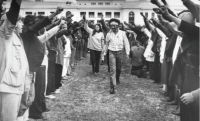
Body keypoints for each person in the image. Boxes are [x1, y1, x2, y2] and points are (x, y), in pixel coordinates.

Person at [0, 0, 28, 121]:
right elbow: (10, 19)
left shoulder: (17, 37)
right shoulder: (6, 34)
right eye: (19, 22)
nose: (22, 25)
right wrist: (16, 3)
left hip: (17, 85)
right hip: (8, 87)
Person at [103, 18, 130, 94]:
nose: (113, 27)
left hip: (120, 52)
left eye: (115, 26)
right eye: (111, 26)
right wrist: (104, 53)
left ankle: (117, 78)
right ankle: (112, 87)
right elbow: (106, 44)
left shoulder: (122, 33)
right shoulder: (108, 34)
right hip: (111, 52)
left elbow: (126, 43)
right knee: (112, 70)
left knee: (119, 68)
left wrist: (127, 53)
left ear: (118, 26)